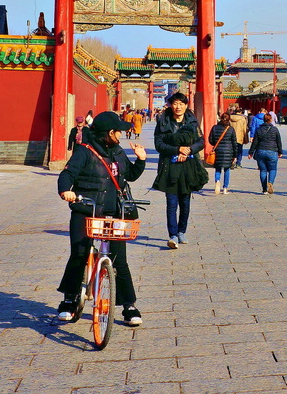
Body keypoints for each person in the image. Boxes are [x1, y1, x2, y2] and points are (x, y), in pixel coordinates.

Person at [55, 111, 147, 327]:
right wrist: (65, 191)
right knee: (79, 254)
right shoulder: (84, 151)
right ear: (109, 132)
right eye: (118, 131)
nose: (121, 135)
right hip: (86, 209)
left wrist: (141, 160)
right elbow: (67, 174)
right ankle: (69, 299)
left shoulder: (117, 151)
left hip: (114, 211)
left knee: (119, 260)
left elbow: (129, 175)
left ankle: (128, 305)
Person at [152, 92, 207, 249]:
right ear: (171, 105)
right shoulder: (163, 121)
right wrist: (177, 149)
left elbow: (201, 141)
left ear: (186, 105)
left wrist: (188, 150)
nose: (178, 107)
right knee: (171, 202)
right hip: (169, 165)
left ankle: (182, 230)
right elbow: (159, 144)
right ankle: (173, 235)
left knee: (185, 201)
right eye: (175, 103)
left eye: (181, 104)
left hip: (188, 165)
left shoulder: (192, 121)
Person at [247, 111, 283, 194]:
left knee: (263, 171)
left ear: (263, 120)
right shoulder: (275, 129)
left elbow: (255, 142)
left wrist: (251, 152)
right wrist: (280, 152)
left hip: (260, 151)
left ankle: (264, 189)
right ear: (271, 120)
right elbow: (278, 141)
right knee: (272, 169)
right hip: (272, 151)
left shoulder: (259, 129)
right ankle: (270, 182)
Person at [209, 112, 236, 195]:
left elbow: (210, 139)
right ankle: (225, 188)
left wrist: (215, 144)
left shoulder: (214, 128)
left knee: (218, 168)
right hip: (228, 151)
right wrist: (235, 155)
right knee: (227, 169)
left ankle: (217, 181)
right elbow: (234, 142)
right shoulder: (231, 129)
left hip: (218, 150)